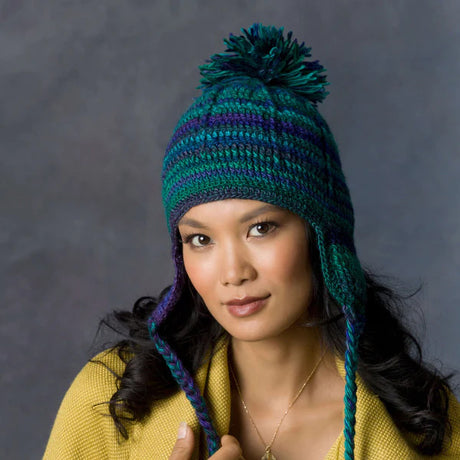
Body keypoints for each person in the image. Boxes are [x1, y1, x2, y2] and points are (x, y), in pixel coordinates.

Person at [44, 24, 459, 459]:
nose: (233, 272)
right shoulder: (110, 401)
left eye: (260, 228)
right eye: (200, 238)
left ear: (322, 233)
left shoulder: (426, 422)